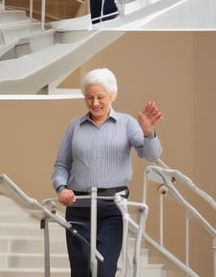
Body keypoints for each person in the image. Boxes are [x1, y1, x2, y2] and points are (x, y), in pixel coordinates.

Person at [52, 68, 163, 276]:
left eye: (100, 97)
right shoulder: (74, 127)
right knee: (82, 266)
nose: (95, 103)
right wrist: (62, 188)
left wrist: (149, 133)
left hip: (113, 208)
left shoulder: (127, 123)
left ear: (113, 95)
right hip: (79, 206)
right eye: (89, 97)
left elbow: (150, 156)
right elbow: (61, 166)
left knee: (105, 267)